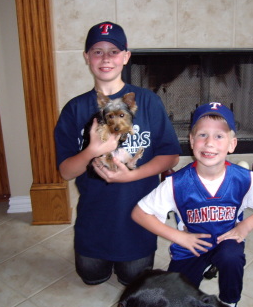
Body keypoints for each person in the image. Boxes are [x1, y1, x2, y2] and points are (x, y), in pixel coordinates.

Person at [54, 21, 181, 286]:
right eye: (97, 51)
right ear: (87, 57)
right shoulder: (74, 109)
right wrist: (92, 150)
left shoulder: (148, 101)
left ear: (126, 56)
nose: (105, 58)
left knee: (134, 278)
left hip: (138, 217)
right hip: (94, 219)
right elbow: (66, 172)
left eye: (113, 51)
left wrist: (130, 177)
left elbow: (171, 156)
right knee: (90, 275)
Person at [132, 102, 253, 306]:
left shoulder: (244, 178)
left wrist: (246, 226)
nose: (209, 143)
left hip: (226, 241)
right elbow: (139, 213)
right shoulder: (176, 184)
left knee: (232, 257)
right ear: (192, 140)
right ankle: (201, 268)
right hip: (191, 246)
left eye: (219, 136)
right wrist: (179, 237)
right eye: (203, 135)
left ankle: (229, 302)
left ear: (232, 144)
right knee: (176, 297)